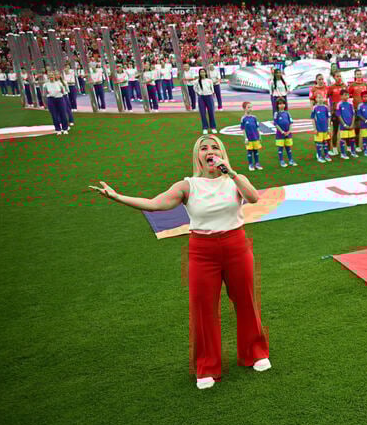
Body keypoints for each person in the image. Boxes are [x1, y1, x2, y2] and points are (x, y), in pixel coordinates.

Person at [89, 134, 270, 390]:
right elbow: (154, 205)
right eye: (204, 148)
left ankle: (256, 353)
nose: (210, 151)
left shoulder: (235, 179)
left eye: (214, 147)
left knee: (246, 300)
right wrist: (117, 197)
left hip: (236, 245)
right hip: (202, 251)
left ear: (223, 153)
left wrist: (230, 172)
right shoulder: (187, 186)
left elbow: (253, 198)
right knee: (203, 307)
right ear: (197, 156)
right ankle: (207, 366)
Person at [43, 70, 70, 135]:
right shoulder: (45, 84)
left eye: (52, 76)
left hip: (60, 99)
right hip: (51, 100)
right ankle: (58, 129)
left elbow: (63, 91)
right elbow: (44, 93)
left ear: (54, 76)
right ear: (48, 77)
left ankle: (65, 129)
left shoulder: (59, 83)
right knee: (54, 115)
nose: (51, 77)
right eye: (49, 76)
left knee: (63, 114)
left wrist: (59, 95)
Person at [240, 101, 264, 171]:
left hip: (255, 137)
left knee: (256, 151)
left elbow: (257, 127)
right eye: (248, 107)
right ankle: (250, 164)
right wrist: (245, 138)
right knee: (249, 151)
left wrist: (259, 136)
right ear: (244, 109)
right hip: (249, 138)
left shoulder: (254, 118)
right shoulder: (243, 119)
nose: (250, 109)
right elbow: (243, 129)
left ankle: (257, 164)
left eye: (251, 107)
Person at [274, 98, 296, 167]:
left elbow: (290, 122)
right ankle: (281, 161)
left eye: (283, 103)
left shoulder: (287, 113)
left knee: (288, 147)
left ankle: (291, 160)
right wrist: (282, 131)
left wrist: (289, 131)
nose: (282, 105)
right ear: (277, 105)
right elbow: (276, 124)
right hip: (280, 134)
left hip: (288, 133)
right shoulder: (276, 113)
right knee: (280, 148)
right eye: (280, 104)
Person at [194, 68, 218, 134]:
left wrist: (212, 94)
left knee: (211, 112)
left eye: (203, 72)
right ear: (199, 73)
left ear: (205, 73)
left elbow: (212, 88)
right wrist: (198, 93)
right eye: (201, 72)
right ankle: (205, 128)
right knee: (202, 113)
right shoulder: (197, 81)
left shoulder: (209, 80)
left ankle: (213, 127)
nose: (202, 73)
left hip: (209, 96)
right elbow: (195, 88)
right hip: (201, 98)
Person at [312, 93, 332, 163]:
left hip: (325, 128)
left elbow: (329, 118)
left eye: (321, 97)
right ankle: (319, 156)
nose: (320, 99)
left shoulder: (326, 107)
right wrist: (314, 129)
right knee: (319, 142)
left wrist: (329, 127)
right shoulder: (314, 108)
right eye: (318, 97)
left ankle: (326, 155)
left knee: (325, 142)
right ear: (316, 99)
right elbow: (313, 119)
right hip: (319, 128)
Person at [336, 90, 356, 159]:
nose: (346, 96)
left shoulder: (350, 104)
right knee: (343, 139)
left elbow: (353, 114)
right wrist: (344, 124)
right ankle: (343, 153)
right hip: (343, 125)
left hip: (351, 125)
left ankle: (353, 152)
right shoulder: (339, 104)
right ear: (341, 96)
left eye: (347, 95)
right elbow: (339, 116)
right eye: (345, 95)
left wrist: (352, 124)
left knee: (352, 138)